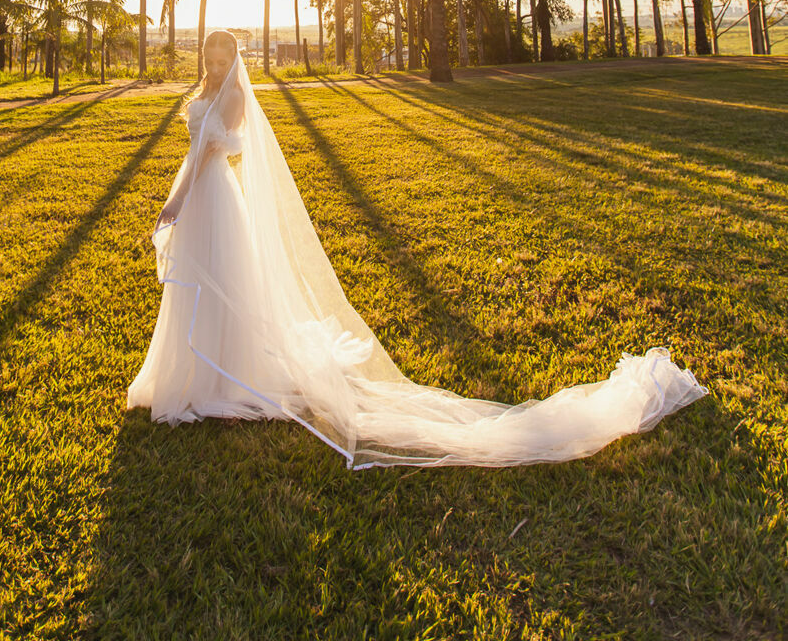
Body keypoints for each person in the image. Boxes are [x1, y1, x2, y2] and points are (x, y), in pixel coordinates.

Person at [127, 31, 706, 469]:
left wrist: (174, 201)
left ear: (235, 63)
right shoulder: (204, 90)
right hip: (202, 197)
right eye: (210, 60)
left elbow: (207, 154)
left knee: (220, 280)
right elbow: (193, 150)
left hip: (211, 198)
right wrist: (179, 196)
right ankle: (193, 375)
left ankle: (219, 379)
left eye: (223, 62)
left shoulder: (231, 100)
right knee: (201, 283)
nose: (216, 68)